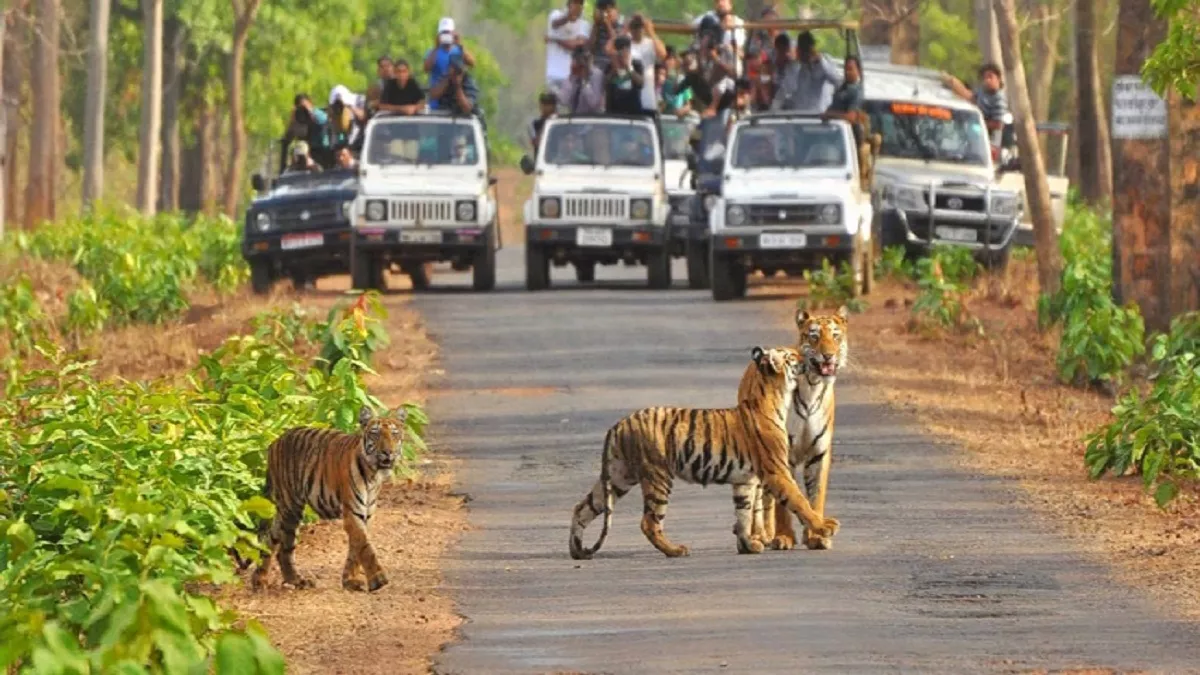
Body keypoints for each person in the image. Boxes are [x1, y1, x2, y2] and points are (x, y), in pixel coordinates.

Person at [770, 30, 841, 113]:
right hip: (800, 117)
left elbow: (837, 81)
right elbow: (783, 92)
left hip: (821, 117)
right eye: (800, 49)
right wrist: (773, 111)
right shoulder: (795, 68)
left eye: (805, 49)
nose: (800, 52)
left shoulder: (824, 63)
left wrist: (819, 60)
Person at [424, 17, 476, 110]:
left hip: (457, 96)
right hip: (437, 99)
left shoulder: (459, 50)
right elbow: (426, 68)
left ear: (453, 33)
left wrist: (460, 45)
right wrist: (436, 46)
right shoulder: (432, 52)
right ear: (439, 35)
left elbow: (472, 63)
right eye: (443, 33)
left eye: (448, 33)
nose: (446, 36)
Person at [941, 63, 1009, 132]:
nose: (987, 80)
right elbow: (970, 97)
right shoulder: (982, 91)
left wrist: (976, 122)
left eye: (990, 77)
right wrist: (954, 84)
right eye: (985, 78)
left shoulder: (999, 99)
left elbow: (998, 124)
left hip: (987, 136)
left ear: (998, 79)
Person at [622, 14, 666, 114]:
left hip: (647, 99)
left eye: (640, 26)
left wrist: (650, 30)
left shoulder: (650, 43)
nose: (637, 30)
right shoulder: (625, 42)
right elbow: (609, 49)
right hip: (627, 98)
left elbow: (663, 54)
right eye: (634, 26)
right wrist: (625, 29)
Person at [545, 0, 591, 92]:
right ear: (568, 4)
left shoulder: (585, 24)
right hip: (553, 74)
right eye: (574, 2)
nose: (577, 6)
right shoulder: (555, 15)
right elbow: (555, 24)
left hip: (572, 77)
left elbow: (577, 45)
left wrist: (555, 40)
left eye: (580, 3)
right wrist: (569, 17)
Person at [278, 94, 330, 174]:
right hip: (306, 157)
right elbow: (287, 139)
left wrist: (311, 113)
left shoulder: (319, 115)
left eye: (305, 106)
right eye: (300, 108)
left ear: (311, 104)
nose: (303, 111)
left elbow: (326, 121)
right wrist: (292, 121)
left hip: (326, 154)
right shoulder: (299, 120)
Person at [429, 53, 483, 120]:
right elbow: (433, 95)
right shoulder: (444, 78)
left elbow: (466, 108)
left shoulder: (469, 83)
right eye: (453, 68)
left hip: (464, 123)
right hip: (444, 119)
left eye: (459, 70)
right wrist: (448, 79)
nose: (456, 72)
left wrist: (457, 86)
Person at [605, 35, 647, 116]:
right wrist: (614, 69)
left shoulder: (636, 64)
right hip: (614, 110)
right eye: (619, 49)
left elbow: (641, 83)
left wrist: (628, 67)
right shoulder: (610, 65)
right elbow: (606, 84)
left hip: (633, 110)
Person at [557, 46, 605, 114]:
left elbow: (594, 104)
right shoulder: (573, 75)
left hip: (592, 118)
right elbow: (564, 100)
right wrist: (572, 79)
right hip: (575, 117)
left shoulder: (597, 75)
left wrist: (585, 81)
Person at [589, 0, 624, 73]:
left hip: (614, 68)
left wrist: (607, 23)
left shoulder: (621, 27)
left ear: (617, 11)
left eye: (609, 10)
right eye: (603, 10)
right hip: (598, 66)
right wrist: (596, 25)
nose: (607, 14)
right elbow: (590, 47)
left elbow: (617, 43)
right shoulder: (596, 27)